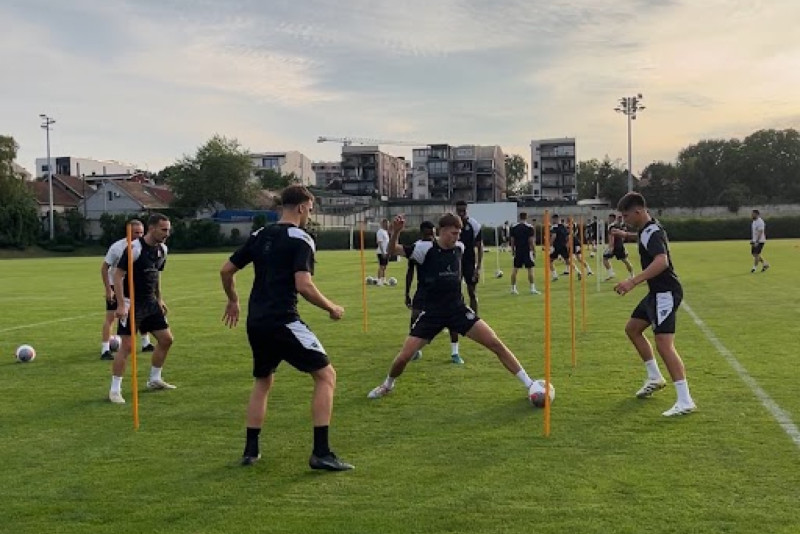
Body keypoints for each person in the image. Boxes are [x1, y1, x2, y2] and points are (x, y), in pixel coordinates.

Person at [220, 185, 353, 471]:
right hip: (283, 320)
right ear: (302, 207)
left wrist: (233, 300)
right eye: (310, 209)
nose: (310, 215)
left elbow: (226, 270)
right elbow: (303, 285)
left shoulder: (260, 234)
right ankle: (321, 452)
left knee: (263, 381)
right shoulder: (301, 238)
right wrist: (332, 307)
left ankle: (251, 451)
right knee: (326, 376)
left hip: (256, 321)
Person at [367, 213, 538, 400]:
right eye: (453, 233)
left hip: (457, 310)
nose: (456, 237)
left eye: (458, 234)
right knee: (404, 356)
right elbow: (392, 250)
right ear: (441, 231)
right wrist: (396, 232)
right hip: (432, 313)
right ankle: (387, 385)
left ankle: (530, 384)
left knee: (495, 343)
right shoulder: (424, 248)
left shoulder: (460, 248)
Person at [612, 192, 696, 417]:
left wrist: (632, 281)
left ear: (638, 211)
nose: (624, 219)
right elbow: (643, 237)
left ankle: (685, 400)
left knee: (664, 344)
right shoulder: (647, 229)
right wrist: (626, 235)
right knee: (633, 329)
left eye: (626, 216)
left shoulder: (653, 232)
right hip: (656, 293)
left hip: (665, 293)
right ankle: (655, 377)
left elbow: (661, 261)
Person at [108, 213, 175, 404]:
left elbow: (156, 275)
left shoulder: (162, 249)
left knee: (166, 339)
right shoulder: (134, 249)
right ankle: (115, 390)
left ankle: (154, 379)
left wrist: (159, 298)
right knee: (127, 347)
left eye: (168, 230)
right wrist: (121, 304)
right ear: (152, 228)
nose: (167, 233)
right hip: (131, 302)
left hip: (150, 302)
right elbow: (118, 275)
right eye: (163, 229)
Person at [99, 220, 154, 360]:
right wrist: (108, 289)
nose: (139, 235)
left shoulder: (143, 246)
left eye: (141, 232)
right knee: (111, 317)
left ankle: (146, 343)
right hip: (115, 285)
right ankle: (105, 350)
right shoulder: (117, 247)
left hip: (134, 286)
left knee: (140, 314)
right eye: (136, 232)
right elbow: (104, 268)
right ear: (128, 232)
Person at [448, 200, 483, 364]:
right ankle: (453, 321)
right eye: (459, 210)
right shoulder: (452, 226)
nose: (461, 213)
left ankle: (474, 321)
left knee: (472, 292)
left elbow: (479, 247)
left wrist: (478, 267)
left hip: (469, 264)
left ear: (466, 210)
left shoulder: (474, 225)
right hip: (454, 264)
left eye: (463, 210)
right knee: (454, 295)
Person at [404, 221, 436, 361]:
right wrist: (407, 293)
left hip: (439, 290)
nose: (431, 236)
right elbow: (410, 272)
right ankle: (412, 346)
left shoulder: (439, 246)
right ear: (422, 233)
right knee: (415, 316)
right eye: (428, 233)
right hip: (422, 289)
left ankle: (455, 351)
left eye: (432, 233)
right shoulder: (416, 247)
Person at [509, 212, 540, 295]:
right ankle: (532, 288)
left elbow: (512, 240)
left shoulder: (514, 227)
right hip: (527, 250)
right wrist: (534, 251)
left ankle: (513, 288)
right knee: (530, 269)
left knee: (515, 269)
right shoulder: (529, 227)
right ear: (526, 217)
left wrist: (513, 250)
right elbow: (531, 241)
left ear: (519, 217)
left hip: (518, 250)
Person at [602, 212, 635, 281]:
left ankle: (611, 273)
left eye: (610, 218)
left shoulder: (612, 226)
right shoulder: (619, 226)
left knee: (605, 258)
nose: (609, 219)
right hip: (619, 245)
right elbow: (623, 237)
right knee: (624, 260)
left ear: (612, 218)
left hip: (615, 246)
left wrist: (611, 247)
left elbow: (612, 236)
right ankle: (631, 275)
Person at [548, 214, 571, 281]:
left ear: (555, 219)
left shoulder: (554, 227)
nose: (552, 220)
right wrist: (567, 244)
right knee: (567, 260)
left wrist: (550, 244)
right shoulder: (564, 226)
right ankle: (577, 271)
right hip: (563, 246)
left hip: (557, 246)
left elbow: (554, 236)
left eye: (553, 219)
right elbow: (568, 236)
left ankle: (555, 275)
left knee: (550, 260)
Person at [375, 218, 390, 286]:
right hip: (381, 252)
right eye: (387, 223)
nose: (388, 225)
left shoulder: (385, 232)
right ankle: (379, 281)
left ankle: (384, 280)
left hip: (386, 252)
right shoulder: (380, 232)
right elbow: (379, 242)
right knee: (381, 266)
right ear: (383, 224)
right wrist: (383, 252)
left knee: (385, 267)